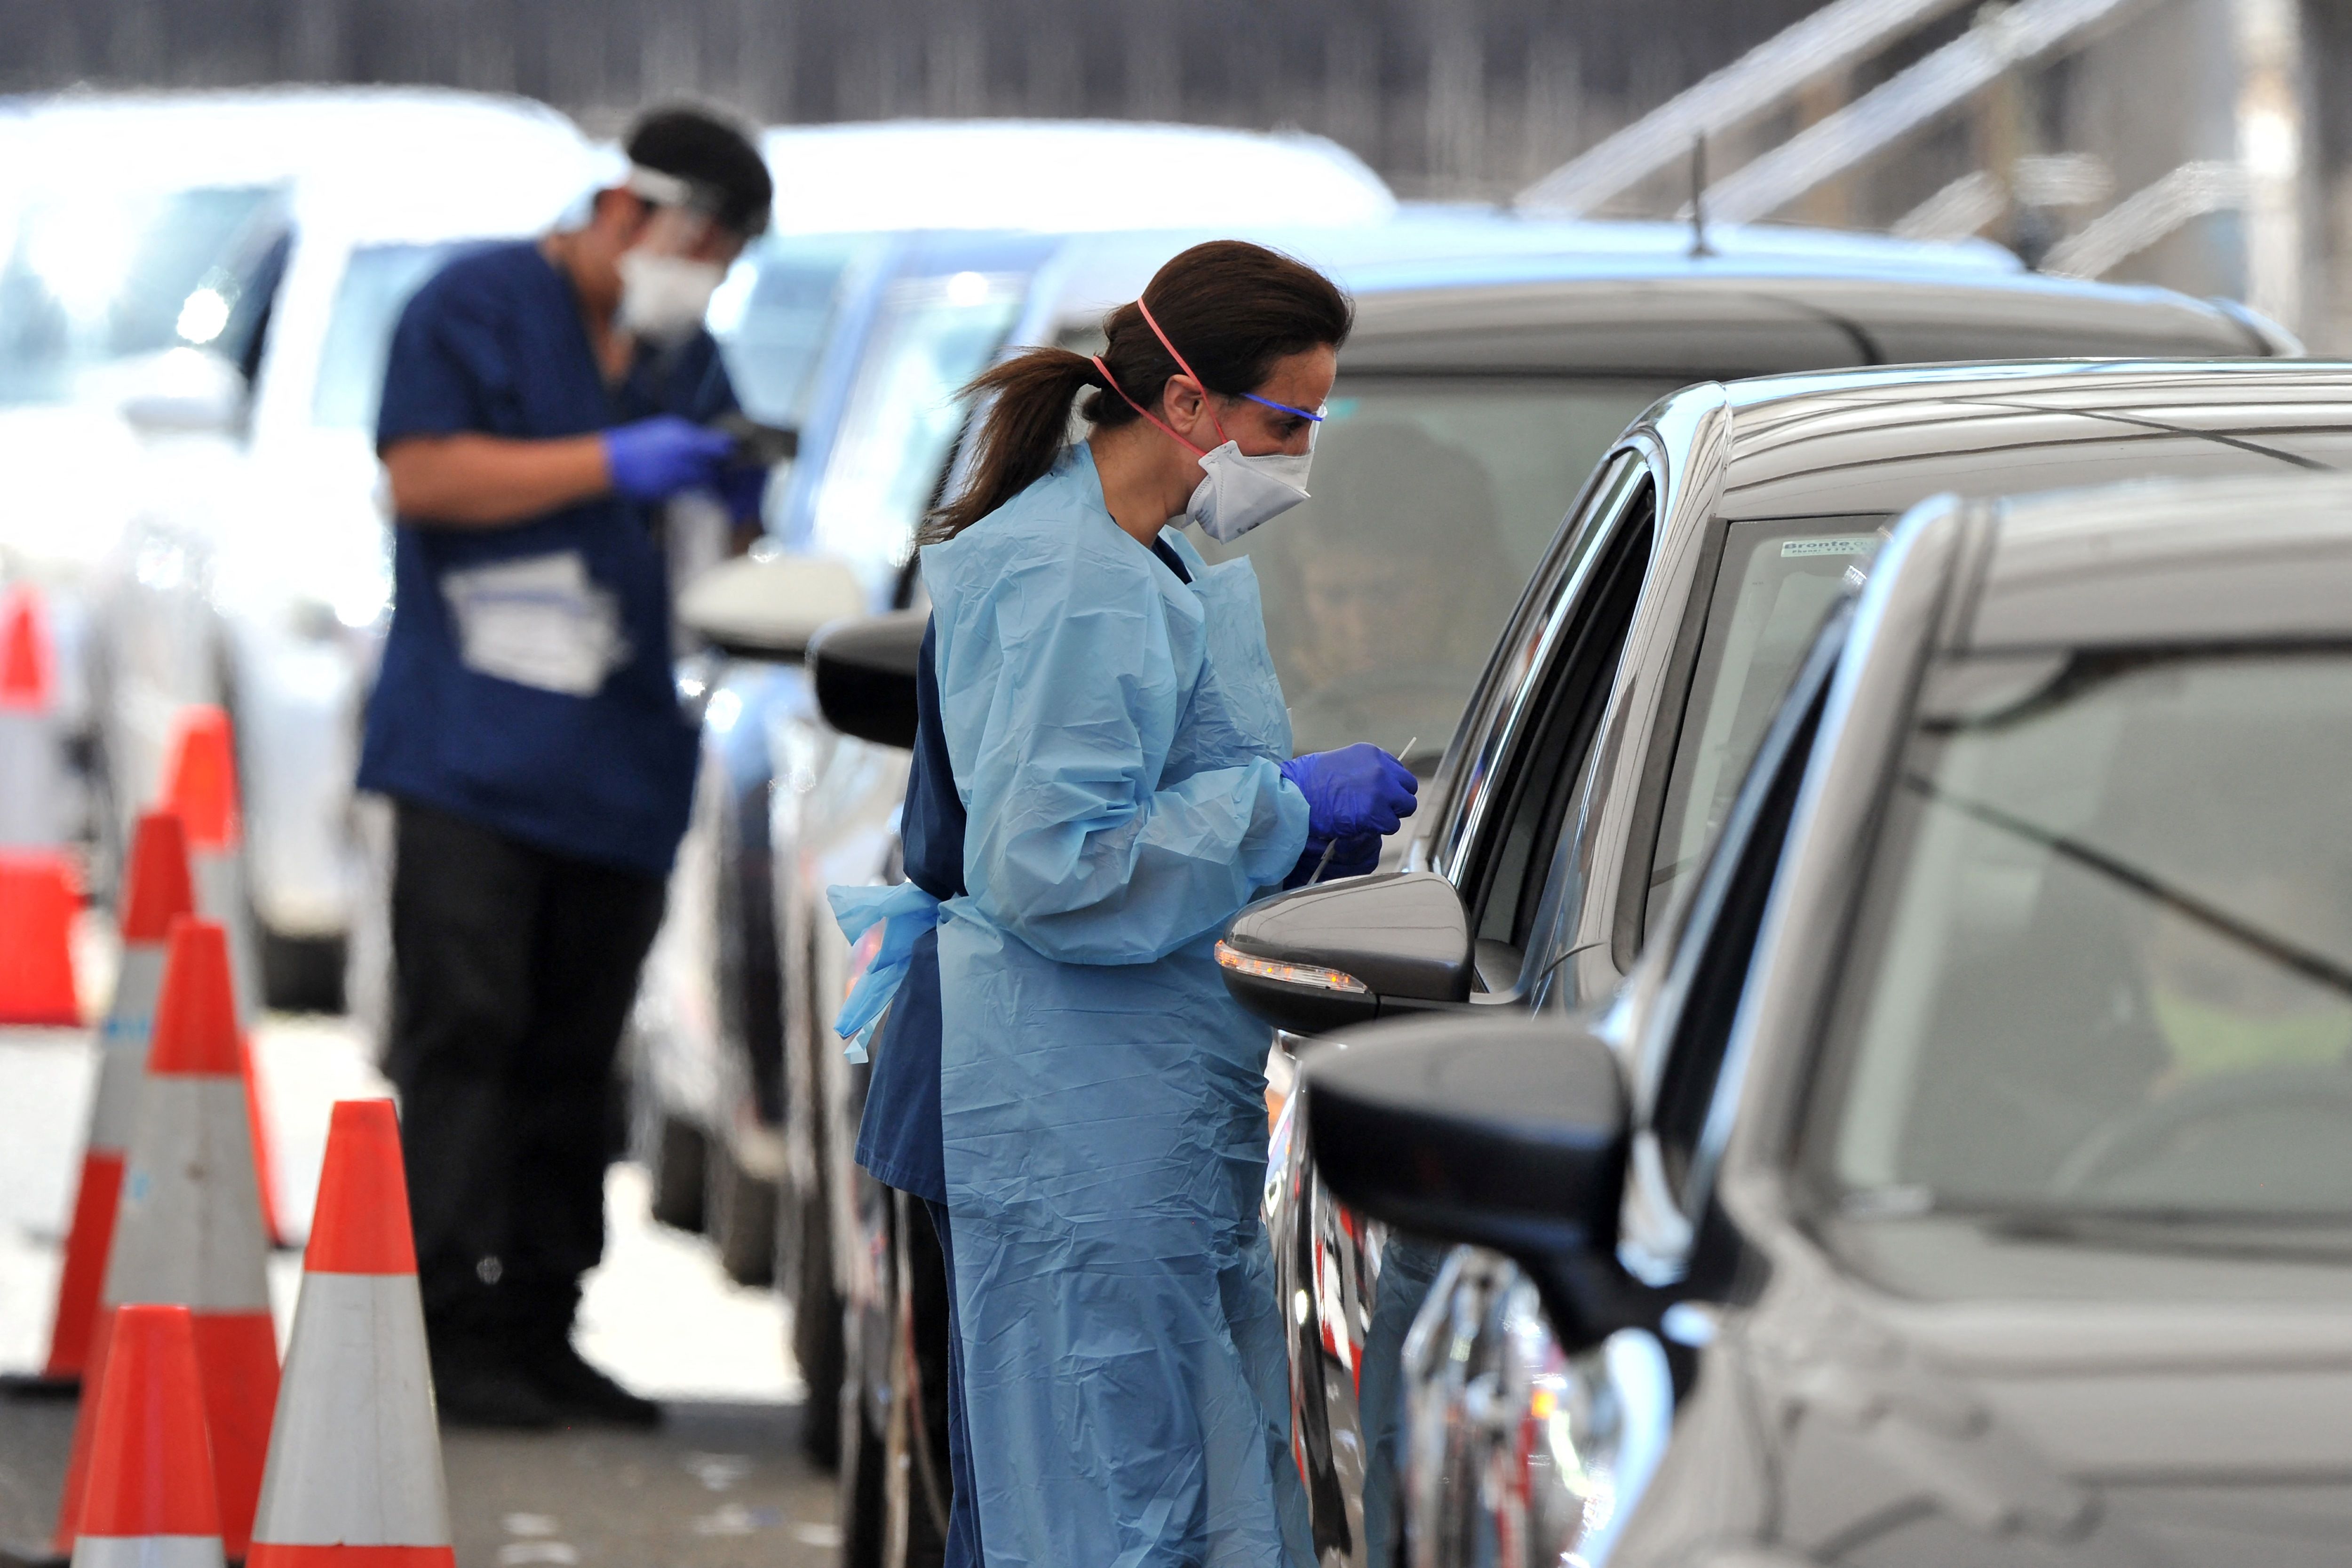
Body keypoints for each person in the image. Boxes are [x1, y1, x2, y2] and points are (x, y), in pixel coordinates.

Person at [916, 239, 1418, 1565]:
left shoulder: (1150, 563)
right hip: (1077, 1103)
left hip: (1136, 1095)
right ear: (1184, 403)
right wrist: (1283, 811)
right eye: (1283, 423)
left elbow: (1153, 803)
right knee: (1109, 1487)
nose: (1297, 458)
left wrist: (1284, 840)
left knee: (1165, 1476)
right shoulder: (1069, 577)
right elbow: (1050, 864)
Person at [359, 105, 773, 1429]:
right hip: (474, 761)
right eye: (695, 241)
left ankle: (540, 1317)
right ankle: (441, 1318)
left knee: (574, 1055)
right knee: (465, 1035)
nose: (699, 273)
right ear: (626, 207)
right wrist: (607, 462)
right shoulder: (473, 308)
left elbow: (708, 548)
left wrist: (730, 490)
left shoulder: (683, 357)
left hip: (615, 770)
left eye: (722, 256)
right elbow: (424, 475)